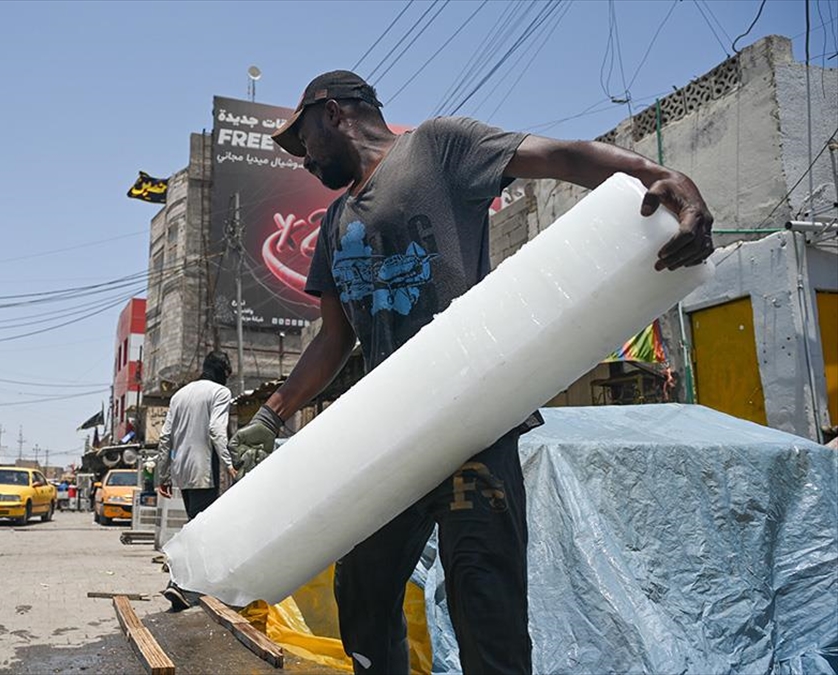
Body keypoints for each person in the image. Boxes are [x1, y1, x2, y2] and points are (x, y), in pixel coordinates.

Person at [227, 70, 713, 675]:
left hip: (469, 428)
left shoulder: (437, 148)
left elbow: (562, 156)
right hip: (384, 439)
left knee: (485, 597)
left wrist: (662, 178)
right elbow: (334, 339)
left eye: (302, 142)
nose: (302, 161)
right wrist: (273, 412)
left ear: (331, 113)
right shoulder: (333, 223)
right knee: (364, 593)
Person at [156, 350, 237, 610]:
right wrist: (229, 463)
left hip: (183, 471)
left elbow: (165, 437)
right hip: (205, 469)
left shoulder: (180, 394)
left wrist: (163, 474)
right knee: (200, 531)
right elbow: (216, 429)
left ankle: (191, 585)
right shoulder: (220, 393)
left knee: (197, 525)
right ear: (224, 370)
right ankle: (179, 583)